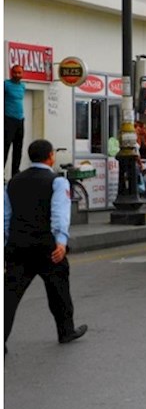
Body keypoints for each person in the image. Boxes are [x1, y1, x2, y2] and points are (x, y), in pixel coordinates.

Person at [4, 139, 88, 353]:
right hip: (46, 247)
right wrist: (61, 242)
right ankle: (65, 331)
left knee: (9, 295)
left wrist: (7, 242)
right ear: (50, 156)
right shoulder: (57, 182)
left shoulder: (13, 182)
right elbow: (59, 214)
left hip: (17, 246)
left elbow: (5, 217)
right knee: (58, 289)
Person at [4, 64, 26, 177]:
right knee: (5, 146)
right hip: (8, 119)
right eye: (15, 72)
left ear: (22, 74)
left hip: (20, 120)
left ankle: (15, 173)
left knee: (18, 147)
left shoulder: (23, 86)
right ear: (11, 73)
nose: (17, 75)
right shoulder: (5, 85)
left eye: (19, 72)